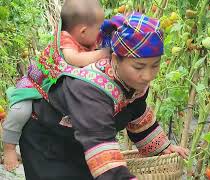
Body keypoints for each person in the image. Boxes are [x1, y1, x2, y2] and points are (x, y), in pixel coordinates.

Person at [6, 10, 188, 179]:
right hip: (47, 140)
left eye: (155, 65)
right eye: (139, 67)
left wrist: (162, 148)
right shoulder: (91, 89)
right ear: (115, 59)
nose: (148, 75)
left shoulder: (133, 82)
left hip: (79, 140)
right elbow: (99, 143)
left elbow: (138, 114)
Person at [1, 0, 111, 171]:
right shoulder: (65, 40)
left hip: (51, 92)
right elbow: (75, 60)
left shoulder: (86, 40)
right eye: (98, 30)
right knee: (19, 112)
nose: (100, 35)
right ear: (82, 31)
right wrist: (104, 54)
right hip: (33, 85)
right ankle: (8, 148)